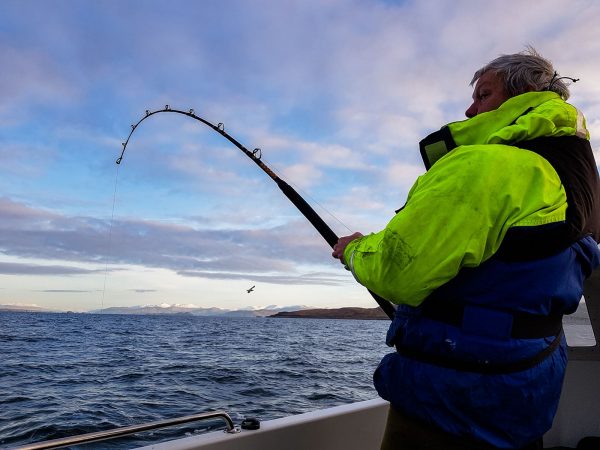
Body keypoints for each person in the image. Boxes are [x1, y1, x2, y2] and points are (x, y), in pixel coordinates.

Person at [332, 47, 600, 449]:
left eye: (484, 94)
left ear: (524, 92)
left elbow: (397, 271)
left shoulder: (486, 165)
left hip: (451, 397)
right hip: (527, 390)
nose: (470, 110)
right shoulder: (583, 183)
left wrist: (354, 250)